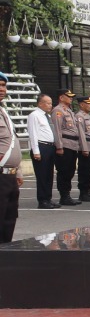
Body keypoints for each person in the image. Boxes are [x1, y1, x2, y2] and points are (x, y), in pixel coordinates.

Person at [51, 90, 83, 205]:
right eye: (68, 96)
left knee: (70, 170)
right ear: (61, 97)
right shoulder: (58, 111)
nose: (71, 98)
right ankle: (64, 196)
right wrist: (59, 146)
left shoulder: (69, 111)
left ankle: (67, 194)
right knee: (64, 171)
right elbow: (57, 130)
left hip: (72, 145)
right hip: (65, 145)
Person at [27, 92, 57, 209]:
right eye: (48, 103)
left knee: (49, 175)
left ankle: (48, 198)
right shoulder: (34, 115)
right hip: (41, 147)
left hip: (50, 147)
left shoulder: (47, 116)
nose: (50, 105)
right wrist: (36, 151)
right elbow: (33, 133)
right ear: (40, 104)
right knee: (42, 175)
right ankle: (43, 200)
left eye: (51, 103)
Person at [0, 73, 21, 241]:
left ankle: (6, 256)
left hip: (10, 175)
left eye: (3, 86)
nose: (2, 89)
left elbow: (12, 142)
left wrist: (18, 171)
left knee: (9, 218)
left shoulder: (4, 112)